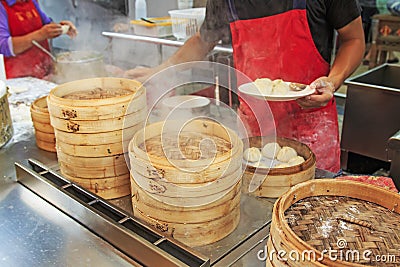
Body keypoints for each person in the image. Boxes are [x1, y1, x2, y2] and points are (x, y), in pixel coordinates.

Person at [124, 0, 365, 173]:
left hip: (311, 124)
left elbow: (353, 39)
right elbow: (203, 40)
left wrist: (333, 80)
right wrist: (161, 70)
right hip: (254, 125)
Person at [0, 0, 77, 79]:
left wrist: (60, 28)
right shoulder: (2, 6)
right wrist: (41, 34)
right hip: (19, 78)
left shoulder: (31, 1)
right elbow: (3, 46)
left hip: (45, 71)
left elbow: (46, 24)